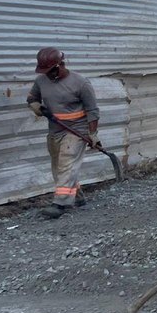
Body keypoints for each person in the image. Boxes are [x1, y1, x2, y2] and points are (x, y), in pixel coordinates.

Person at [26, 47, 100, 219]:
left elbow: (93, 111)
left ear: (60, 65)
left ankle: (60, 203)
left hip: (77, 130)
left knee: (66, 163)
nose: (48, 75)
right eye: (45, 71)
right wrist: (34, 105)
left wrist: (93, 133)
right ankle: (78, 197)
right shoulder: (41, 81)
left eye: (51, 71)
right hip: (55, 131)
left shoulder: (81, 83)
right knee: (59, 167)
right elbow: (32, 98)